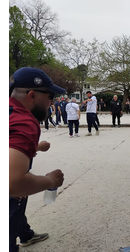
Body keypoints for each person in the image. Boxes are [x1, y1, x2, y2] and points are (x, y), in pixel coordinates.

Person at [9, 67, 65, 252]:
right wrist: (50, 180)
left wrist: (35, 147)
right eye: (50, 97)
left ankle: (25, 234)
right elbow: (12, 182)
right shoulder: (24, 121)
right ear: (32, 95)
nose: (52, 102)